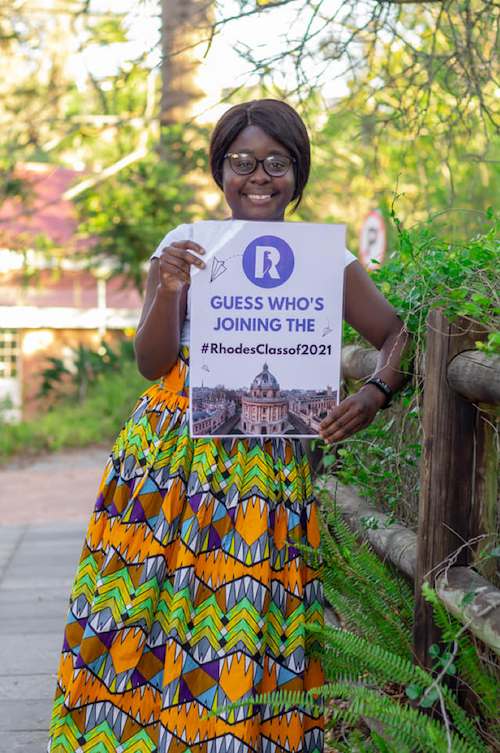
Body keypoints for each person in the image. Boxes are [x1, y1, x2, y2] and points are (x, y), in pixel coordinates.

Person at [48, 99, 411, 753]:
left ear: (297, 172)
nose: (258, 176)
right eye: (241, 161)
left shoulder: (324, 257)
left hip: (261, 468)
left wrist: (375, 392)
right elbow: (151, 361)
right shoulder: (185, 247)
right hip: (167, 459)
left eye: (276, 161)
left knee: (239, 623)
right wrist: (166, 287)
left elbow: (394, 333)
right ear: (220, 169)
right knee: (144, 611)